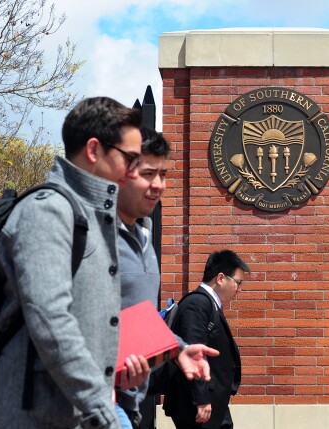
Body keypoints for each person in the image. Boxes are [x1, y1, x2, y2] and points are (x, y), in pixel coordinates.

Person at [0, 97, 149, 429]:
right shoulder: (48, 210)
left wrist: (113, 370)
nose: (135, 170)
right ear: (94, 150)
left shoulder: (97, 217)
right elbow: (50, 319)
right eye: (130, 158)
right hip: (28, 419)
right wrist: (101, 411)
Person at [115, 127, 219, 429]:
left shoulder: (144, 237)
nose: (158, 185)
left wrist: (178, 349)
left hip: (123, 402)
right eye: (149, 174)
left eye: (163, 175)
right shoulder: (83, 230)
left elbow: (134, 319)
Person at [163, 250, 250, 429]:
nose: (240, 289)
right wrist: (201, 399)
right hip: (197, 407)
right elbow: (193, 352)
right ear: (220, 278)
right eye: (238, 282)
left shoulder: (209, 304)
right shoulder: (197, 303)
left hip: (212, 403)